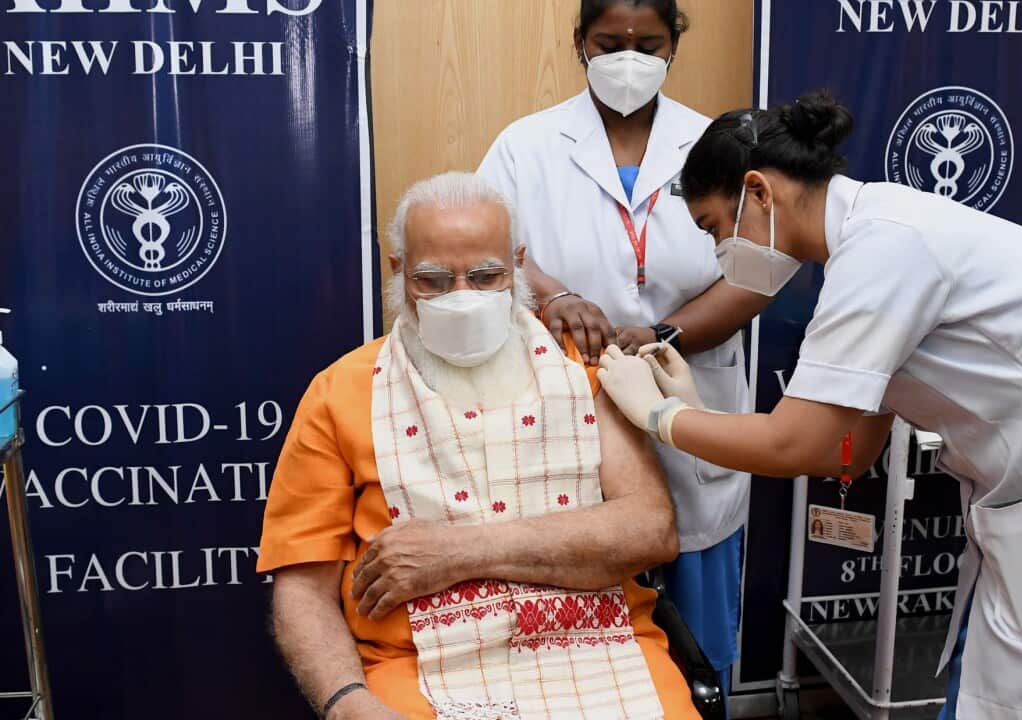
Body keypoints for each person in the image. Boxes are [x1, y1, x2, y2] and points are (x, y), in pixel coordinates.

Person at [596, 91, 1022, 720]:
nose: (720, 253)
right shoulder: (877, 240)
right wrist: (701, 411)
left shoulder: (884, 251)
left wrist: (662, 418)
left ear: (758, 193)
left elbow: (798, 445)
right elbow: (849, 451)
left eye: (714, 228)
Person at [258, 172, 700, 720]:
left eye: (487, 276)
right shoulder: (341, 392)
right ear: (399, 272)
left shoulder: (579, 365)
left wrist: (455, 553)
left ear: (517, 265)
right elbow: (302, 587)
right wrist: (348, 703)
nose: (462, 299)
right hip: (414, 669)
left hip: (600, 645)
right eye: (434, 281)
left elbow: (649, 531)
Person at [477, 0, 767, 695]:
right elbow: (489, 253)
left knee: (698, 647)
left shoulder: (715, 145)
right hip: (570, 408)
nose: (628, 59)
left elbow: (758, 273)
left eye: (649, 43)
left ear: (674, 47)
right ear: (579, 42)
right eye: (609, 43)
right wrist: (553, 296)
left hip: (690, 395)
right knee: (583, 639)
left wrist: (668, 333)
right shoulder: (526, 146)